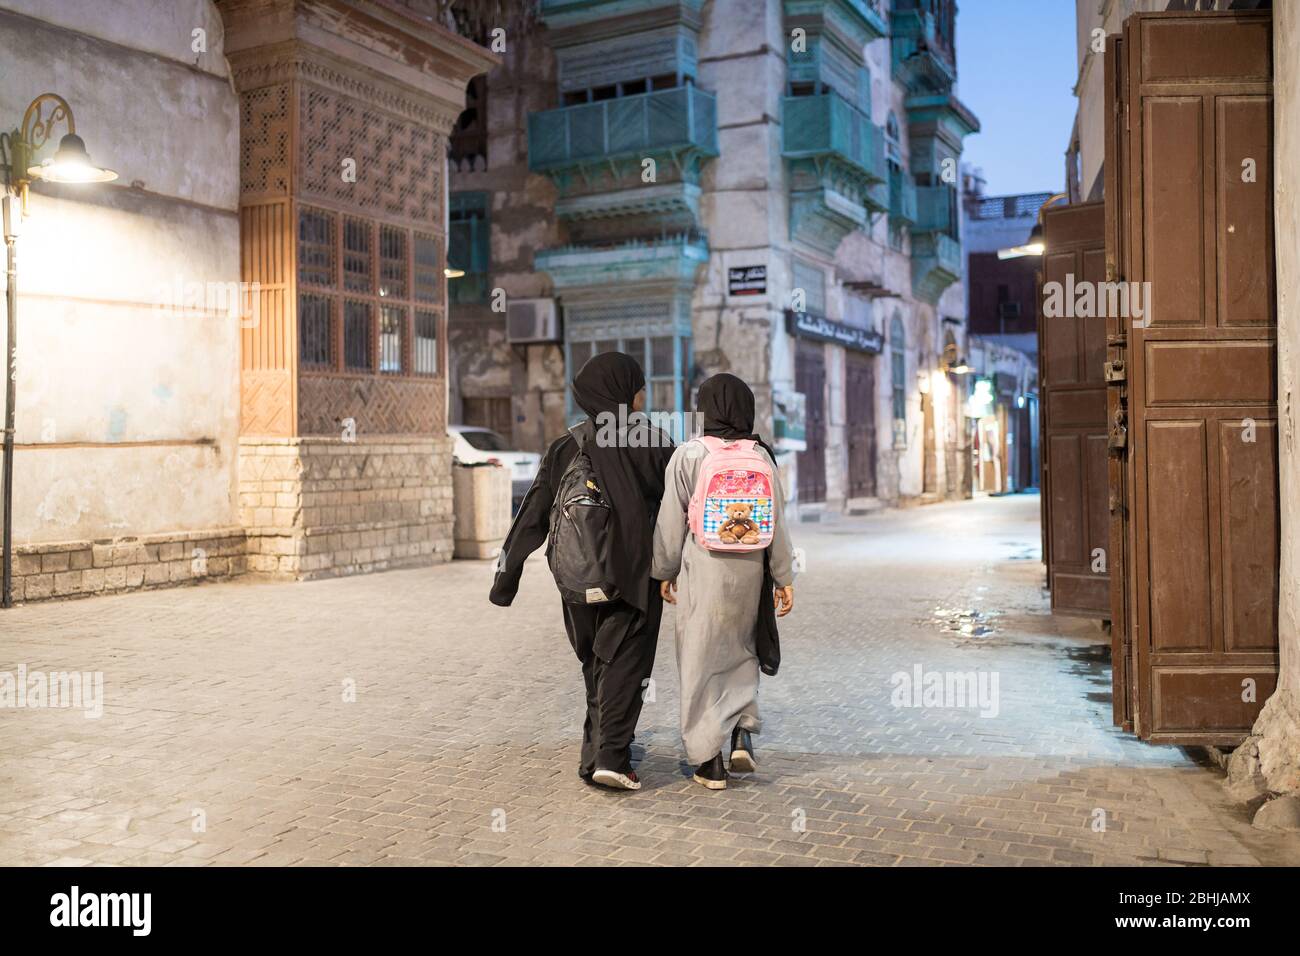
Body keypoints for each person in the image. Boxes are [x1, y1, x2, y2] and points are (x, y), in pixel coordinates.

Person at [490, 352, 673, 791]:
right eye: (638, 386)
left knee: (595, 660)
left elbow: (533, 512)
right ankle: (611, 756)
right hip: (633, 574)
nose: (643, 394)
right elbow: (677, 509)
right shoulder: (652, 442)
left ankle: (595, 752)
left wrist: (507, 576)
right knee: (626, 665)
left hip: (576, 576)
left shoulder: (565, 445)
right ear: (624, 391)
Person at [651, 373, 795, 790]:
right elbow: (779, 523)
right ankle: (742, 735)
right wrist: (784, 577)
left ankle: (708, 760)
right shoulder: (762, 456)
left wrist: (664, 570)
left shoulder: (689, 455)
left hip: (704, 571)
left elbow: (669, 520)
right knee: (744, 650)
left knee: (700, 659)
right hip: (750, 573)